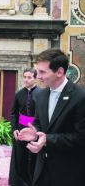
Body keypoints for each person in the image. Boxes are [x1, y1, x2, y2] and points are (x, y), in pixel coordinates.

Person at [18, 49, 85, 186]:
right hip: (42, 170)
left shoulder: (80, 97)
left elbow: (81, 137)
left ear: (59, 72)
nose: (38, 77)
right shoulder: (41, 95)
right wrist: (34, 132)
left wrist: (47, 140)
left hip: (69, 172)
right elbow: (39, 123)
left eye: (42, 72)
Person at [9, 68, 41, 186]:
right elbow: (13, 113)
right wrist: (14, 129)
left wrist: (38, 131)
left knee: (34, 158)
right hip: (21, 130)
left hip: (35, 130)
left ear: (35, 79)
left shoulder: (41, 93)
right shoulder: (18, 93)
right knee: (20, 158)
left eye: (29, 77)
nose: (26, 80)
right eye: (25, 77)